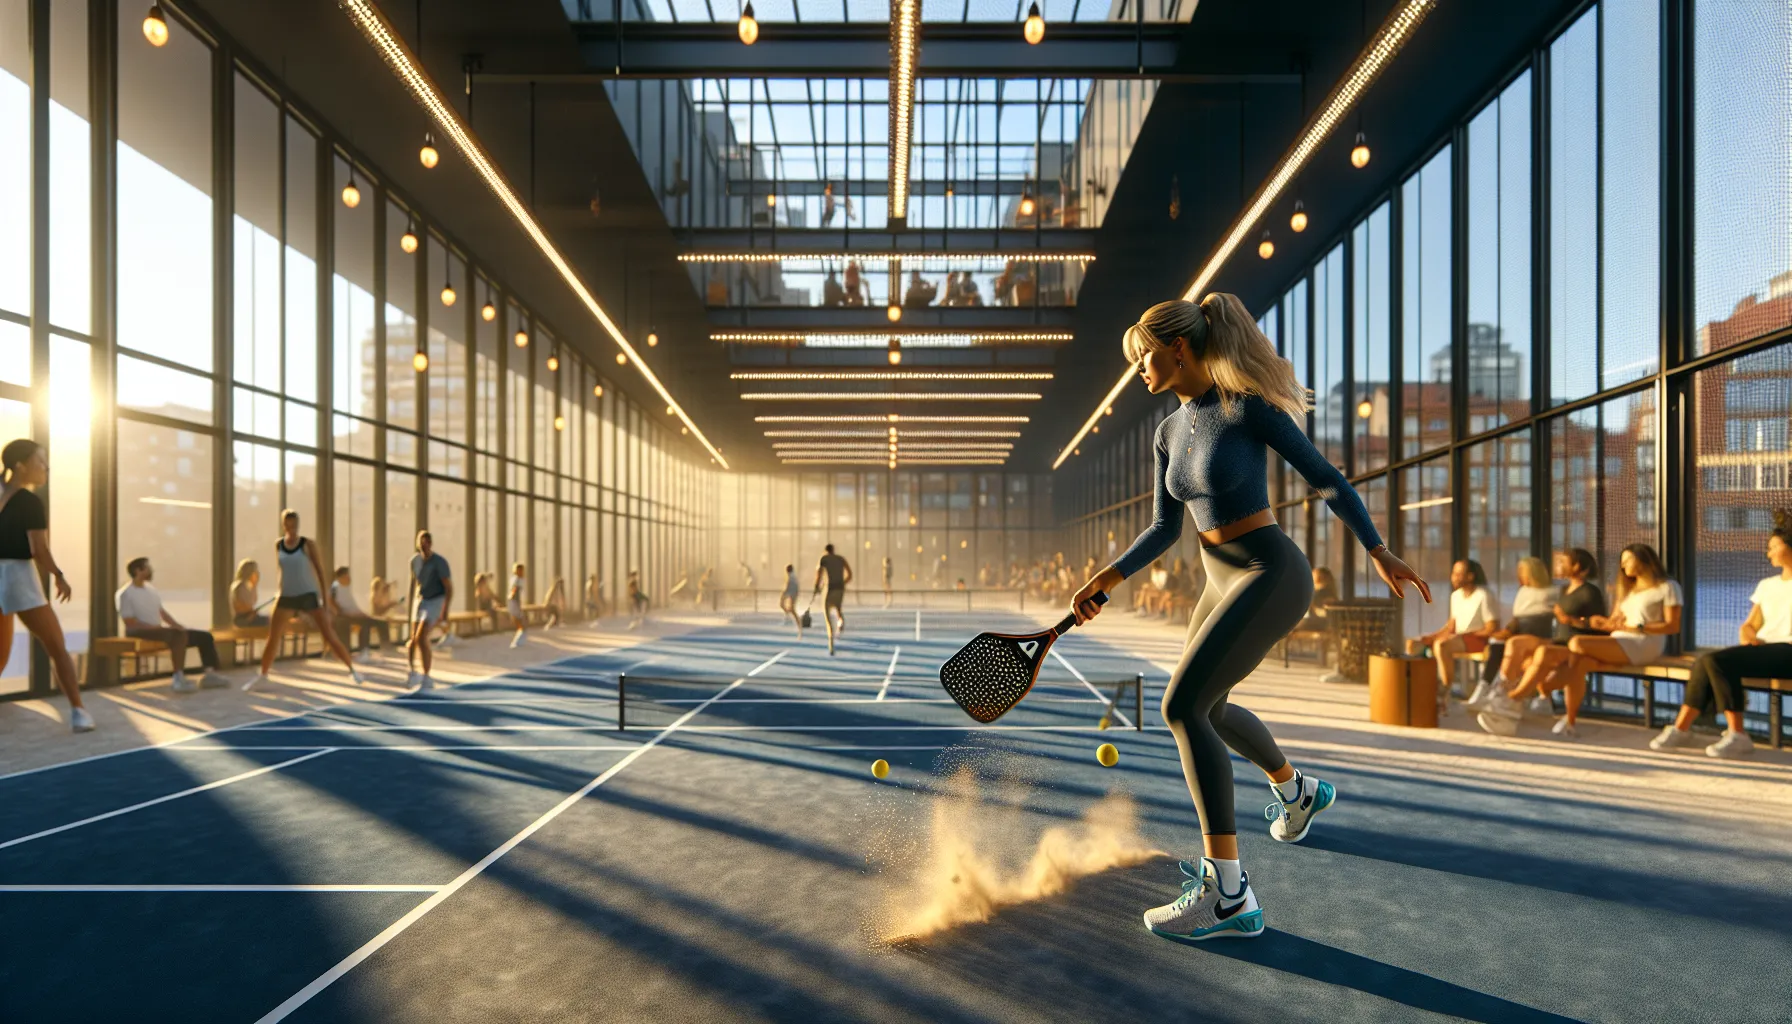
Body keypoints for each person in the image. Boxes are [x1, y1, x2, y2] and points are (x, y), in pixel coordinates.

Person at [1068, 295, 1428, 943]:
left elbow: (1326, 479)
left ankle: (1229, 894)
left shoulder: (1246, 407)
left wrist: (1378, 549)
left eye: (1144, 356)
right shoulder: (1166, 432)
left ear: (1179, 348)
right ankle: (1297, 791)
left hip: (1269, 571)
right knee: (1211, 709)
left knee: (1182, 707)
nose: (1138, 369)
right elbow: (1163, 529)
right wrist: (1109, 577)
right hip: (1218, 578)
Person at [1650, 513, 1792, 759]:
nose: (1768, 553)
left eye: (1773, 547)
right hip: (1764, 649)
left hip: (1788, 651)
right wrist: (1748, 636)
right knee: (1705, 661)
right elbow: (1749, 625)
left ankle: (1736, 734)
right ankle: (1683, 728)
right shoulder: (1767, 585)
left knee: (1716, 661)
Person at [1509, 544, 1681, 740]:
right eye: (1622, 562)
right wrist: (1590, 622)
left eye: (1628, 560)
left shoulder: (1668, 587)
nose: (1623, 565)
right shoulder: (1628, 590)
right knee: (1580, 663)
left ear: (1643, 560)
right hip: (1620, 639)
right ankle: (1569, 722)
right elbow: (1613, 623)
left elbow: (1672, 626)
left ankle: (1527, 694)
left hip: (1645, 643)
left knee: (1576, 643)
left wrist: (1638, 627)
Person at [0, 440, 91, 731]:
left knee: (1, 653)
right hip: (17, 578)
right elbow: (39, 549)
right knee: (56, 646)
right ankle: (78, 711)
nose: (46, 467)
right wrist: (59, 575)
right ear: (20, 465)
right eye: (41, 460)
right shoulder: (29, 501)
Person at [1478, 549, 1608, 732]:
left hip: (1576, 645)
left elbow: (1600, 626)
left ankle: (1512, 700)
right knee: (1518, 647)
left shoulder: (1590, 592)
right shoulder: (1563, 590)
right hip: (1558, 641)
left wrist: (1572, 621)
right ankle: (1504, 694)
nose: (1558, 566)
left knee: (1541, 653)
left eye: (1563, 562)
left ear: (1577, 566)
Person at [245, 509, 363, 691]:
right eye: (288, 525)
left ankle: (352, 670)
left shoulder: (307, 544)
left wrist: (324, 601)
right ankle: (263, 675)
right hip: (286, 596)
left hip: (307, 595)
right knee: (273, 637)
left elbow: (320, 571)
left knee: (328, 634)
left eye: (294, 525)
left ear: (297, 525)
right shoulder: (278, 545)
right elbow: (281, 571)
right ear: (283, 525)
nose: (291, 528)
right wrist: (279, 591)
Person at [116, 556, 225, 692]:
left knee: (204, 636)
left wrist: (177, 625)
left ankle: (210, 675)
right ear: (138, 571)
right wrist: (157, 628)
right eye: (148, 568)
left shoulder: (151, 590)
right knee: (178, 636)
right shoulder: (125, 593)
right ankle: (178, 678)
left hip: (158, 631)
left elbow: (162, 612)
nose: (151, 570)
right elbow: (129, 622)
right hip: (138, 631)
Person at [1464, 556, 1558, 709]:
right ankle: (1486, 687)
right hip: (1521, 634)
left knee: (1514, 644)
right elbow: (1517, 619)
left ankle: (1502, 690)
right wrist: (1506, 631)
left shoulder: (1552, 592)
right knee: (1496, 644)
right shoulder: (1523, 592)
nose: (1519, 575)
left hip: (1540, 636)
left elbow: (1548, 620)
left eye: (1522, 571)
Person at [1404, 559, 1497, 708]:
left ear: (1470, 576)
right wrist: (1431, 637)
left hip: (1478, 640)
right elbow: (1451, 626)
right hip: (1457, 639)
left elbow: (1491, 628)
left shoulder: (1483, 595)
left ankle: (1445, 690)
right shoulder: (1456, 596)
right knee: (1413, 644)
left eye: (1458, 574)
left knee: (1442, 645)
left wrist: (1461, 635)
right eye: (1454, 573)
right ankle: (1415, 687)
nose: (1453, 577)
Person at [405, 531, 453, 690]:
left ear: (430, 544)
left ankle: (427, 676)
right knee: (412, 639)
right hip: (420, 600)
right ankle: (413, 672)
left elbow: (448, 588)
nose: (424, 545)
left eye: (426, 542)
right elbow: (414, 584)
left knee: (421, 637)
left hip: (435, 601)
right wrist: (410, 606)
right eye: (421, 542)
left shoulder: (439, 562)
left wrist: (444, 612)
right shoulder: (415, 561)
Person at [328, 566, 390, 661]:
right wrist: (342, 612)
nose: (349, 578)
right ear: (341, 577)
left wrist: (361, 613)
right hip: (343, 615)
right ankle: (360, 651)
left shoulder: (349, 588)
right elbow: (331, 602)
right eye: (347, 576)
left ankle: (384, 647)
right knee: (362, 623)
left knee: (380, 621)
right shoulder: (335, 587)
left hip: (354, 614)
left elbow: (354, 604)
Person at [813, 543, 853, 656]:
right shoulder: (841, 559)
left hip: (829, 589)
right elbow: (850, 575)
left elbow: (819, 574)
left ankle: (831, 642)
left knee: (827, 616)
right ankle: (841, 623)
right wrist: (843, 583)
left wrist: (816, 587)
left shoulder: (823, 559)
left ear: (825, 551)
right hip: (840, 589)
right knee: (838, 609)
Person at [230, 559, 269, 627]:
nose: (257, 573)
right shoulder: (240, 586)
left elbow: (253, 601)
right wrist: (251, 611)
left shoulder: (248, 586)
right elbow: (239, 605)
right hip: (243, 619)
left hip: (248, 617)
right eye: (256, 571)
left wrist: (254, 585)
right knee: (272, 621)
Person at [506, 562, 528, 648]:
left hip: (513, 601)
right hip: (514, 601)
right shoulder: (517, 579)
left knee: (518, 620)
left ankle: (519, 638)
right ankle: (518, 638)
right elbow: (515, 591)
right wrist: (515, 601)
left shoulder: (516, 579)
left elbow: (515, 591)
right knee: (518, 620)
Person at [779, 563, 803, 638]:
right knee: (790, 609)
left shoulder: (790, 577)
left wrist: (783, 595)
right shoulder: (792, 576)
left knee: (789, 608)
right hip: (792, 594)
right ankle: (790, 617)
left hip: (791, 594)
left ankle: (798, 624)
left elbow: (787, 587)